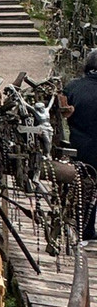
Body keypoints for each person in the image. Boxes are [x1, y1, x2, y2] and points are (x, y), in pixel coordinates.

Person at [64, 48, 97, 239]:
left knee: (80, 185)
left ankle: (77, 225)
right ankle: (88, 228)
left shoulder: (73, 86)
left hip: (78, 145)